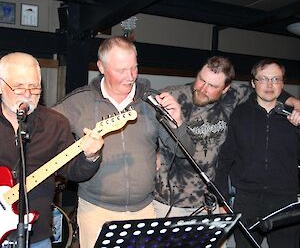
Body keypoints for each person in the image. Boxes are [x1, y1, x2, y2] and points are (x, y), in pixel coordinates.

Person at [53, 36, 195, 248]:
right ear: (101, 67)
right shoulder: (77, 102)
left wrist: (178, 122)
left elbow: (186, 151)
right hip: (95, 212)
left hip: (145, 210)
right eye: (121, 70)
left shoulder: (152, 101)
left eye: (134, 68)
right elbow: (44, 138)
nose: (130, 77)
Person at [153, 56, 300, 218]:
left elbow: (268, 88)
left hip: (210, 202)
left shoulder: (235, 96)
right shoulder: (172, 96)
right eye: (201, 80)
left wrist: (293, 101)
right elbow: (146, 128)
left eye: (213, 86)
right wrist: (154, 152)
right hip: (170, 202)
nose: (203, 89)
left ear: (225, 89)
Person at [0, 52, 104, 248]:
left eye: (34, 86)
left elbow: (73, 171)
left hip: (37, 236)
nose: (28, 94)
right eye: (19, 87)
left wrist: (91, 156)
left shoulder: (55, 123)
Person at [215, 58, 300, 248]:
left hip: (285, 202)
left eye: (275, 79)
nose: (269, 85)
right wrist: (222, 200)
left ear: (282, 83)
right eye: (263, 79)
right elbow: (225, 159)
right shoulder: (239, 114)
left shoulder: (295, 116)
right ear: (253, 83)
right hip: (247, 202)